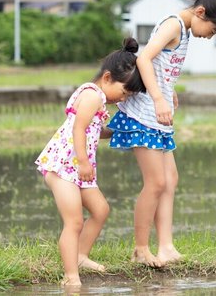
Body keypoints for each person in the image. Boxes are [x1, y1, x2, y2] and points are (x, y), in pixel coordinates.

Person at [108, 0, 216, 267]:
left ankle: (165, 246)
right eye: (213, 30)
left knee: (170, 180)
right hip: (144, 114)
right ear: (201, 13)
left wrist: (170, 91)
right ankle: (141, 249)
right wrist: (157, 97)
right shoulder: (173, 24)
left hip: (159, 116)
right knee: (155, 182)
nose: (210, 35)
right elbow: (144, 59)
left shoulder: (186, 29)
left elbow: (162, 66)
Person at [35, 37, 146, 286]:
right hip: (64, 166)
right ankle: (71, 275)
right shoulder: (92, 95)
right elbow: (78, 129)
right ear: (107, 78)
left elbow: (95, 130)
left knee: (100, 210)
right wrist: (84, 163)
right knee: (73, 221)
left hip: (78, 168)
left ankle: (81, 255)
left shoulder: (98, 98)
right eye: (124, 92)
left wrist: (118, 133)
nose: (123, 99)